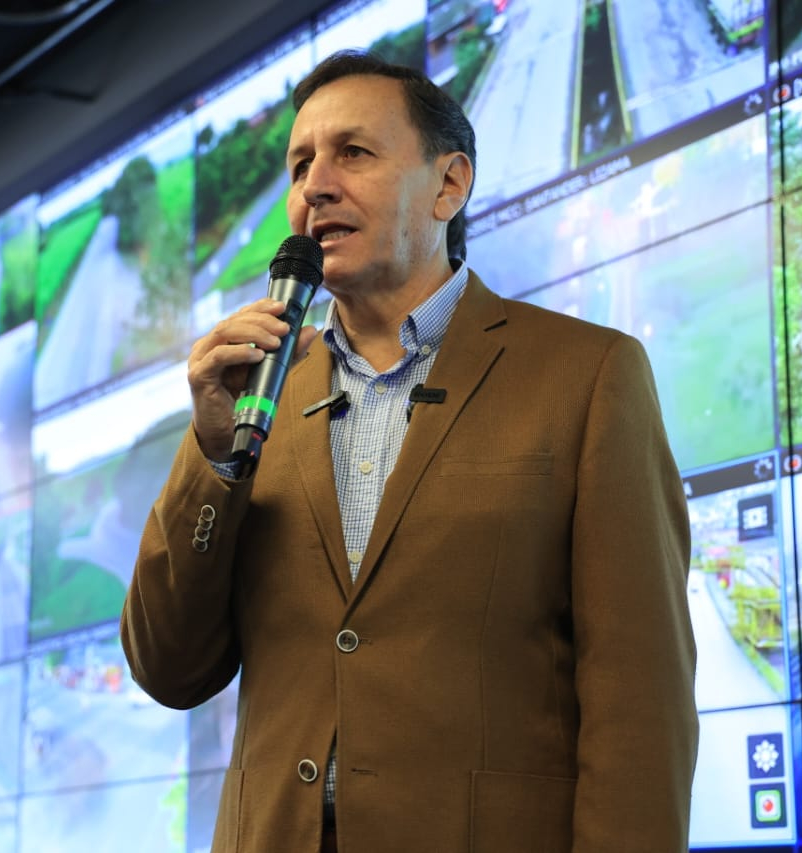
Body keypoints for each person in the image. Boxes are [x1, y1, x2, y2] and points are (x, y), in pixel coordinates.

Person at [119, 49, 697, 853]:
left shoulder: (587, 374)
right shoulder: (258, 398)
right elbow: (166, 665)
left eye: (352, 153)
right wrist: (213, 459)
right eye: (300, 164)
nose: (314, 185)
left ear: (449, 185)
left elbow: (641, 696)